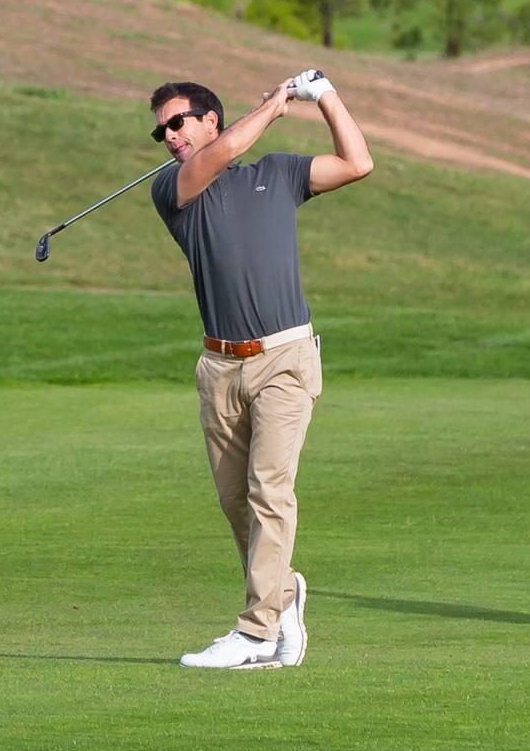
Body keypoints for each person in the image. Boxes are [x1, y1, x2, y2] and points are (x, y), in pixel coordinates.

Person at [151, 70, 374, 670]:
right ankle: (285, 594)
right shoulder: (174, 187)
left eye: (178, 123)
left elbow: (358, 163)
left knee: (269, 492)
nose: (169, 137)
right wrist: (274, 107)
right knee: (237, 507)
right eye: (161, 131)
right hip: (219, 367)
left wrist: (323, 95)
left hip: (285, 358)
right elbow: (219, 156)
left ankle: (254, 633)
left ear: (209, 118)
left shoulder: (276, 175)